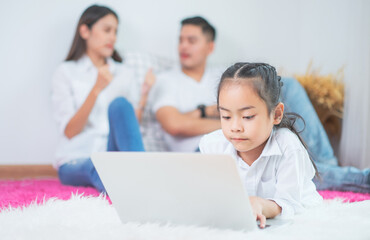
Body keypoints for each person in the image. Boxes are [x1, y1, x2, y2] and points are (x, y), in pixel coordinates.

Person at [150, 16, 370, 192]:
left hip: (245, 142)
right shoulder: (168, 80)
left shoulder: (224, 77)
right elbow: (174, 124)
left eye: (191, 40)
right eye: (180, 39)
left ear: (210, 46)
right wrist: (229, 119)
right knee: (284, 167)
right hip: (204, 151)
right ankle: (355, 177)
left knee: (288, 86)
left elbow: (252, 104)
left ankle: (328, 163)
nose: (183, 46)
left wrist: (238, 120)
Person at [199, 62, 323, 228]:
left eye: (248, 116)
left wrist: (261, 204)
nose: (235, 127)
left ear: (276, 114)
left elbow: (289, 204)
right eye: (226, 117)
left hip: (299, 218)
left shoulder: (288, 146)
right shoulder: (212, 145)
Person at [51, 5, 154, 192]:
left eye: (115, 31)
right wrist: (96, 89)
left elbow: (130, 128)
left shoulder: (124, 72)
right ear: (85, 31)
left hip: (112, 153)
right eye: (107, 30)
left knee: (120, 105)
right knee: (99, 168)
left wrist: (144, 95)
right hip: (78, 157)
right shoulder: (66, 72)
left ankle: (142, 180)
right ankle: (140, 190)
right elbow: (70, 131)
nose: (112, 37)